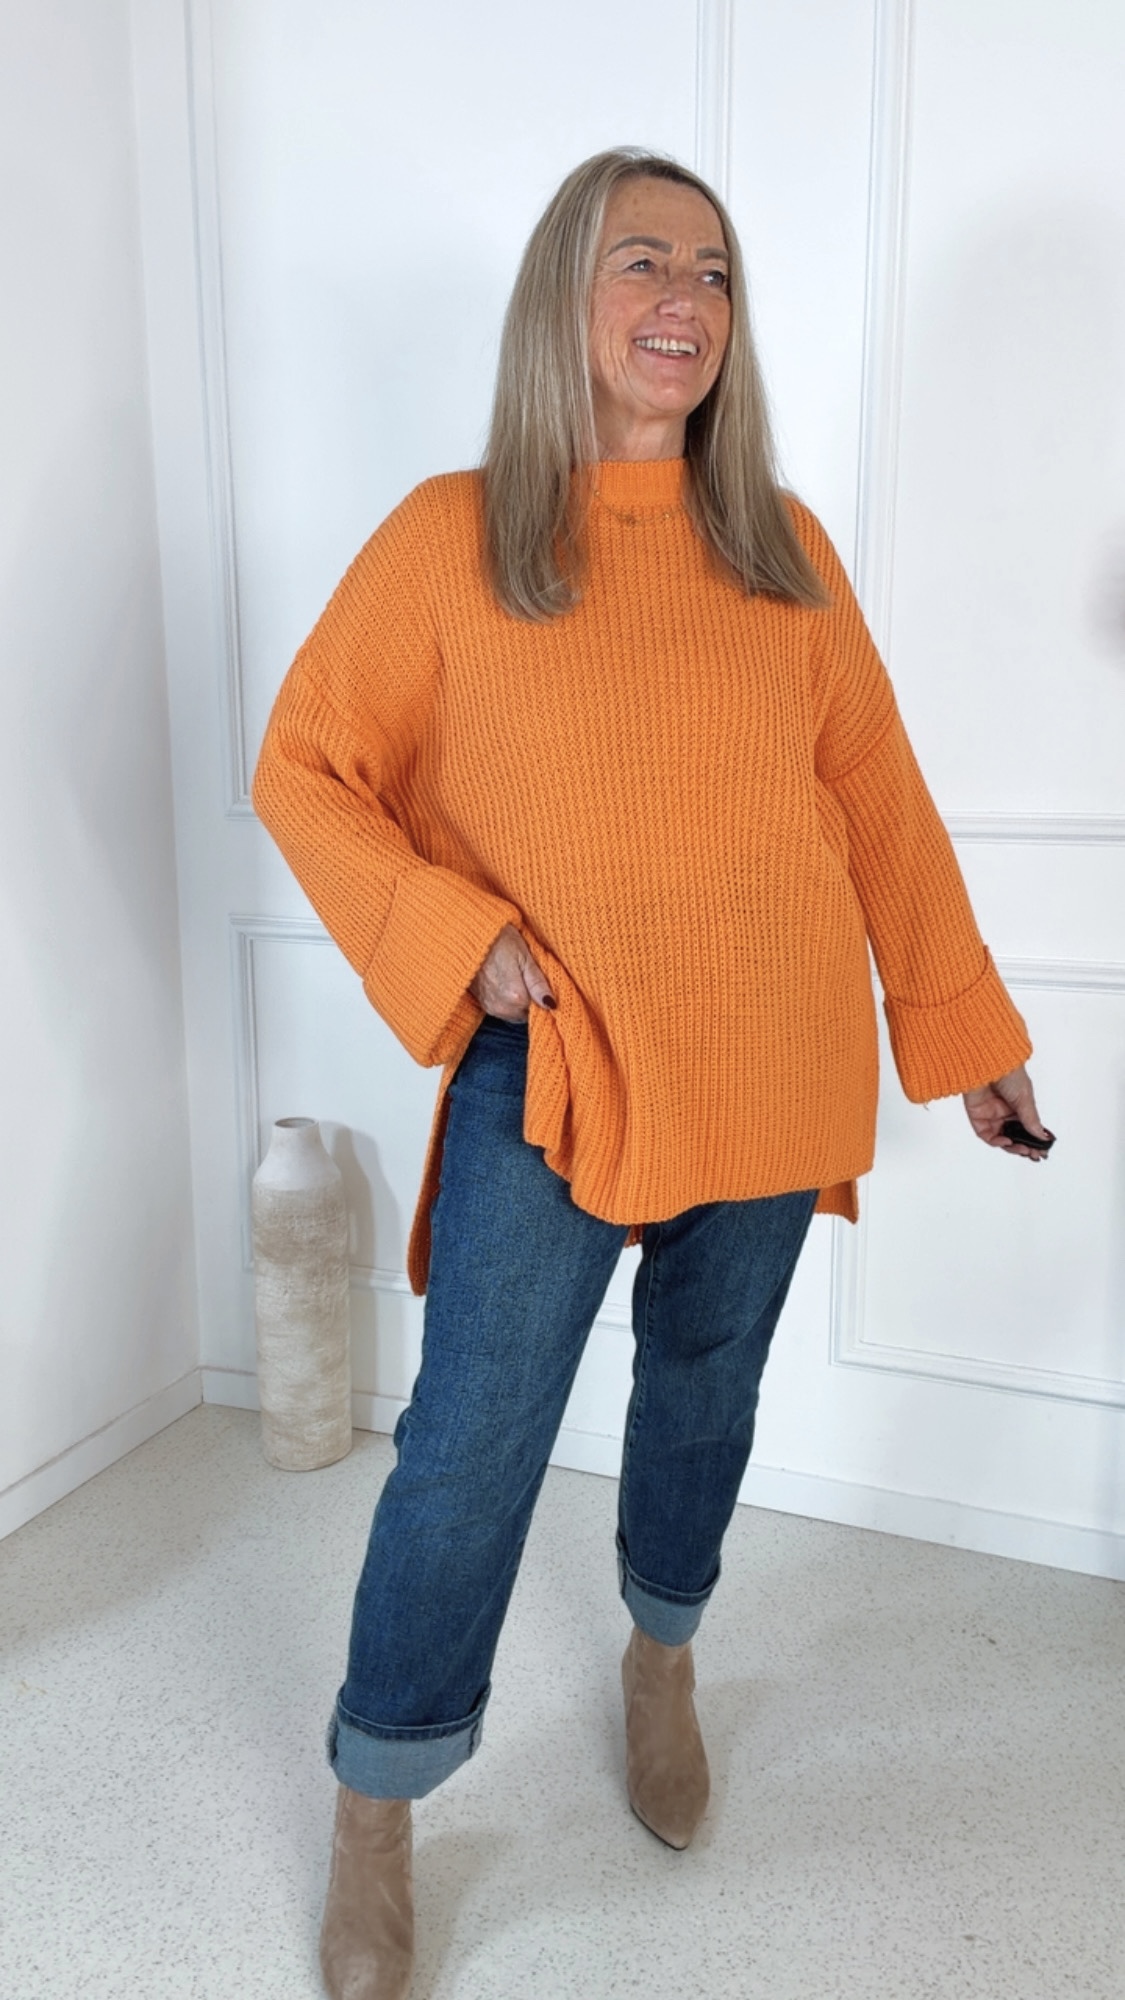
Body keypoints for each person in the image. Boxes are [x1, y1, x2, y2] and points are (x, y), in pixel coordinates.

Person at [252, 147, 1053, 2000]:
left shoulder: (781, 548)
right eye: (640, 262)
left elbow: (879, 805)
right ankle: (378, 1806)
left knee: (702, 1395)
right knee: (469, 1449)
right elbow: (303, 766)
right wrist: (459, 936)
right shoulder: (452, 538)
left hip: (770, 1054)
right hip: (558, 1070)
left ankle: (659, 1658)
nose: (682, 300)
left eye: (711, 271)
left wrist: (969, 1041)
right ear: (566, 296)